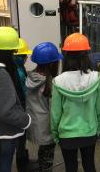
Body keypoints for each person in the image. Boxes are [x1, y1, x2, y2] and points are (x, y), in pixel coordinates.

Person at [51, 33, 100, 172]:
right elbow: (99, 109)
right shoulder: (96, 78)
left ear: (66, 55)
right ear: (87, 54)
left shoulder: (58, 81)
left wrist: (56, 134)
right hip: (89, 131)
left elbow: (56, 113)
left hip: (66, 134)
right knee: (89, 166)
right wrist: (98, 129)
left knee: (70, 168)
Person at [0, 26, 31, 172]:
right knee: (5, 160)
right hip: (7, 128)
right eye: (14, 52)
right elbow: (5, 110)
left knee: (0, 155)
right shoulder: (2, 74)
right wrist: (26, 120)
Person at [26, 42, 63, 172]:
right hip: (47, 127)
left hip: (34, 125)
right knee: (48, 158)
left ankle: (41, 166)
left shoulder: (29, 77)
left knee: (43, 151)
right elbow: (55, 110)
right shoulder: (51, 84)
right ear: (53, 64)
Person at [14, 38, 33, 172]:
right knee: (20, 139)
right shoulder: (18, 72)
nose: (26, 57)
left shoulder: (18, 68)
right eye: (24, 55)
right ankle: (22, 165)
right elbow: (24, 92)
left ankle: (23, 161)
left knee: (21, 139)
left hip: (19, 109)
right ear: (19, 57)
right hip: (19, 110)